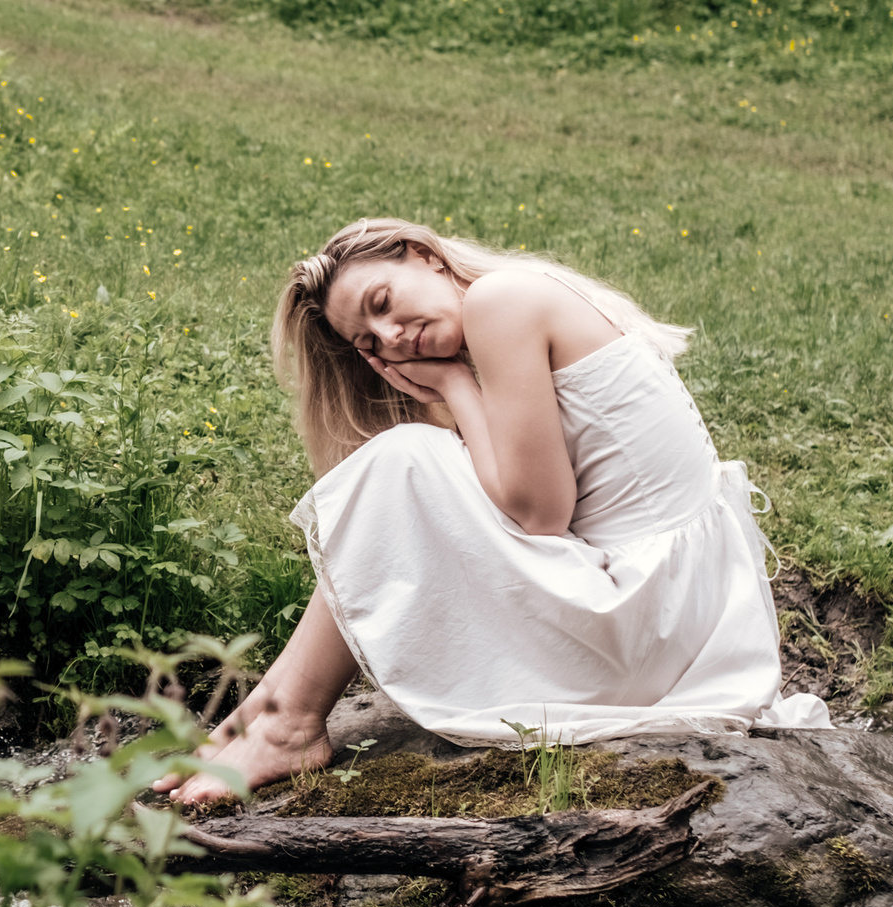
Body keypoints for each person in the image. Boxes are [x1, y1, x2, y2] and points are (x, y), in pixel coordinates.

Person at [159, 217, 828, 808]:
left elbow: (538, 513)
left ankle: (284, 721)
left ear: (423, 254)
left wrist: (452, 383)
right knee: (414, 464)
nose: (392, 337)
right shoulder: (524, 293)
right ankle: (274, 714)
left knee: (402, 464)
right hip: (677, 630)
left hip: (646, 631)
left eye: (383, 303)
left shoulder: (501, 303)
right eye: (369, 342)